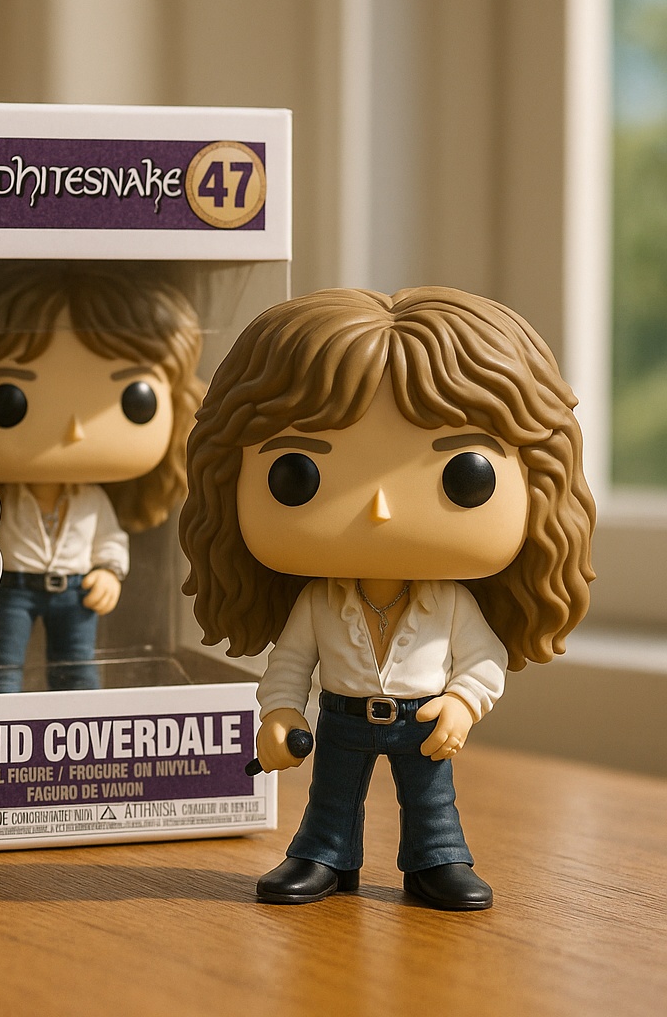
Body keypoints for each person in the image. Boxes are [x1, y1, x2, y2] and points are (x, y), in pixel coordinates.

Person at [179, 286, 595, 910]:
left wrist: (462, 703)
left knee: (432, 802)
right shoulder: (319, 600)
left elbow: (483, 659)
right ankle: (324, 856)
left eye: (464, 476)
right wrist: (281, 713)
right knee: (331, 798)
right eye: (298, 475)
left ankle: (438, 861)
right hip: (342, 717)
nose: (379, 509)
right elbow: (290, 662)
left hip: (421, 719)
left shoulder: (450, 603)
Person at [0, 261, 203, 692]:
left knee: (77, 665)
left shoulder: (90, 499)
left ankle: (82, 716)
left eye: (134, 400)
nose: (75, 431)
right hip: (10, 587)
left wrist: (109, 573)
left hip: (76, 589)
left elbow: (109, 538)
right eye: (8, 401)